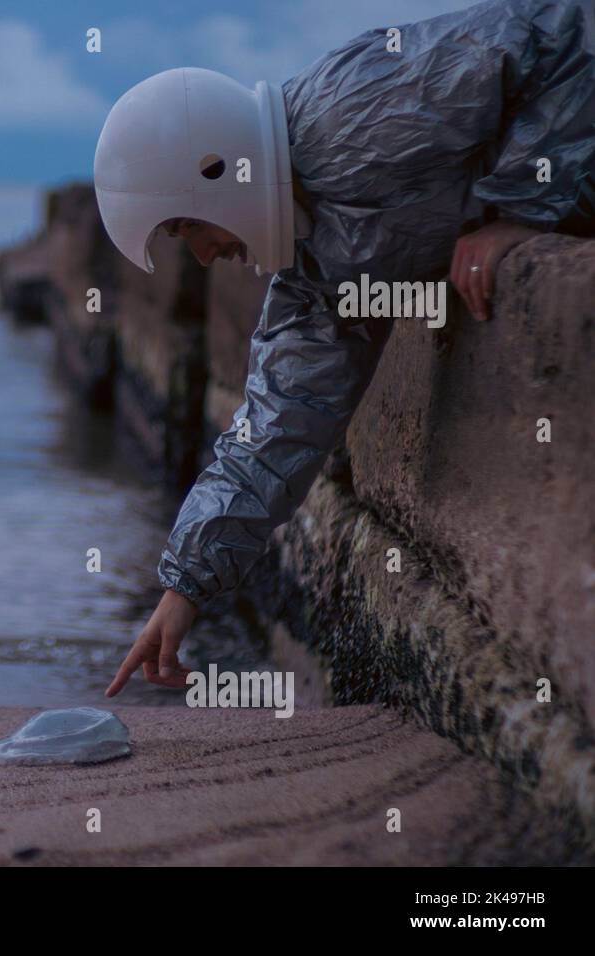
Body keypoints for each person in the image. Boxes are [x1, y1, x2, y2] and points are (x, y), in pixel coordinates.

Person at [95, 0, 595, 697]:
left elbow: (560, 36)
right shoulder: (308, 274)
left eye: (185, 230)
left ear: (217, 167)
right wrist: (182, 591)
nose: (205, 258)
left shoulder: (353, 108)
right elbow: (275, 425)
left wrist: (519, 209)